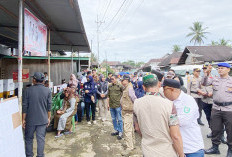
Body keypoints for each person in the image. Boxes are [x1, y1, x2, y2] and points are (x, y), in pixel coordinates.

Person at [134, 75, 185, 157]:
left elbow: (137, 128)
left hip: (148, 151)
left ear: (143, 87)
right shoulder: (169, 105)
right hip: (167, 152)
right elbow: (175, 136)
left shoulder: (136, 104)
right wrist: (182, 155)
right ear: (159, 84)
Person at [163, 79, 204, 157]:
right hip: (175, 148)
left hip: (191, 148)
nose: (163, 92)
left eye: (164, 90)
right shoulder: (167, 101)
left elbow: (183, 121)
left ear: (171, 89)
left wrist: (165, 120)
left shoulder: (188, 100)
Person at [203, 63, 232, 157]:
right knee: (215, 129)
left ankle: (230, 149)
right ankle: (215, 147)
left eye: (222, 68)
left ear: (228, 70)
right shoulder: (214, 79)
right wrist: (207, 73)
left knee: (230, 130)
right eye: (219, 68)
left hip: (229, 109)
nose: (220, 70)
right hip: (216, 108)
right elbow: (204, 83)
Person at [22, 72, 52, 157]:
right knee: (40, 139)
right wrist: (48, 118)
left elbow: (24, 106)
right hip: (43, 119)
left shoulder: (27, 90)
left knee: (28, 139)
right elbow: (49, 106)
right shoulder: (48, 90)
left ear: (34, 80)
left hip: (30, 120)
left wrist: (23, 119)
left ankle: (29, 155)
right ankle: (40, 155)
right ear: (43, 81)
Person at [120, 74, 137, 154]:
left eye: (123, 80)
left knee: (127, 129)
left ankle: (129, 147)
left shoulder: (129, 88)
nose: (122, 82)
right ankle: (132, 144)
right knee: (130, 129)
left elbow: (134, 99)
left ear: (126, 80)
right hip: (126, 111)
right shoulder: (126, 88)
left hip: (128, 112)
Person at [108, 75, 124, 140]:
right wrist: (108, 104)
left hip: (118, 105)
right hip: (111, 105)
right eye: (111, 79)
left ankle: (120, 132)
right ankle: (116, 130)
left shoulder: (120, 86)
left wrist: (122, 103)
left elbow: (123, 94)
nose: (112, 80)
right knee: (114, 118)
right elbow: (108, 95)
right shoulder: (110, 86)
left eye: (113, 79)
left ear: (116, 79)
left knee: (119, 119)